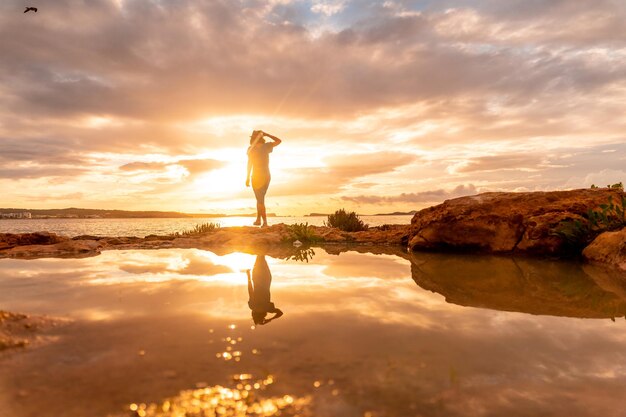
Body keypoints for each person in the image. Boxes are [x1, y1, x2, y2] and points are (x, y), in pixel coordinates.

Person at [246, 130, 282, 227]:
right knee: (260, 199)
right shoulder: (266, 146)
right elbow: (279, 141)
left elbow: (249, 164)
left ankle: (264, 222)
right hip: (266, 175)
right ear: (261, 137)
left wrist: (247, 177)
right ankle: (258, 220)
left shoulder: (251, 148)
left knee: (260, 199)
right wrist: (268, 134)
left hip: (257, 176)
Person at [246, 254, 283, 326]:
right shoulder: (252, 306)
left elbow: (280, 313)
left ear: (263, 316)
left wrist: (269, 320)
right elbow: (250, 290)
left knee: (261, 256)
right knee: (260, 256)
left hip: (266, 279)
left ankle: (263, 246)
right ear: (254, 315)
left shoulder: (267, 308)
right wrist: (248, 276)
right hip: (256, 278)